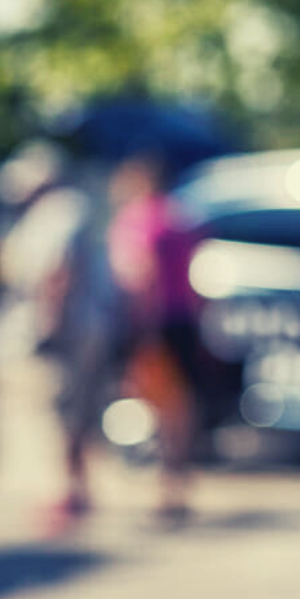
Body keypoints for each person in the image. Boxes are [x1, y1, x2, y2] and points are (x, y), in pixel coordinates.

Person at [0, 143, 123, 531]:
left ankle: (68, 491)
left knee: (64, 410)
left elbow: (59, 270)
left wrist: (48, 325)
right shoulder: (55, 212)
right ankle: (76, 488)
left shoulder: (61, 211)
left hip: (70, 329)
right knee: (71, 410)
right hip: (76, 326)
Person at [105, 155, 199, 523]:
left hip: (152, 323)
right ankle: (177, 481)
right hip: (183, 320)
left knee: (158, 407)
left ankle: (164, 488)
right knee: (181, 408)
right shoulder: (180, 218)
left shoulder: (137, 220)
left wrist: (140, 329)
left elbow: (141, 275)